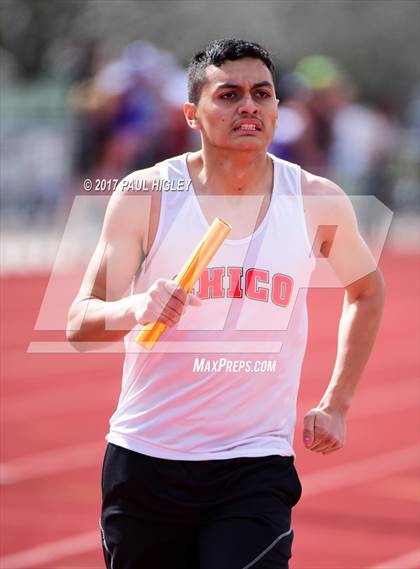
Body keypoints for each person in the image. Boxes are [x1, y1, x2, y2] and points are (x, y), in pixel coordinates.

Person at [67, 38, 385, 569]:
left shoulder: (316, 200)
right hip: (147, 458)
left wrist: (337, 402)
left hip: (254, 464)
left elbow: (367, 291)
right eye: (229, 95)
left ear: (278, 107)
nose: (249, 107)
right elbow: (80, 323)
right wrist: (135, 308)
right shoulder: (147, 194)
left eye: (262, 93)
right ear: (192, 113)